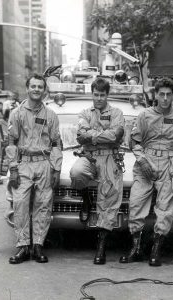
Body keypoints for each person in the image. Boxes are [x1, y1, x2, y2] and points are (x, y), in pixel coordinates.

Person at [120, 78, 173, 267]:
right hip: (146, 162)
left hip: (169, 164)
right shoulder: (144, 115)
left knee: (165, 208)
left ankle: (156, 250)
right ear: (156, 95)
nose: (164, 98)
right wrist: (141, 159)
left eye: (168, 95)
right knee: (136, 203)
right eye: (161, 94)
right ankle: (136, 249)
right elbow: (135, 141)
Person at [6, 74, 63, 264]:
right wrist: (13, 168)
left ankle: (38, 245)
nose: (37, 89)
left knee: (43, 205)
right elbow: (11, 141)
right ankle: (23, 247)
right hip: (24, 164)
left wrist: (56, 168)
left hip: (44, 164)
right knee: (20, 204)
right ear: (27, 88)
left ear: (44, 90)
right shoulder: (17, 113)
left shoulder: (51, 115)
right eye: (33, 86)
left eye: (40, 87)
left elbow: (56, 143)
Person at [70, 77, 125, 265]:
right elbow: (80, 135)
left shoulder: (117, 113)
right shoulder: (85, 112)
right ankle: (86, 197)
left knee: (108, 197)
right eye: (96, 94)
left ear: (107, 95)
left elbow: (116, 135)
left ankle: (101, 247)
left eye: (102, 95)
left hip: (110, 157)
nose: (99, 98)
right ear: (91, 94)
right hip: (89, 157)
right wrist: (103, 136)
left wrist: (91, 136)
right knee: (76, 173)